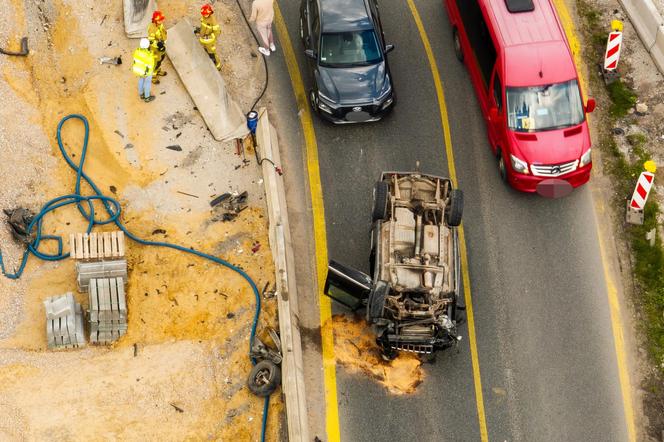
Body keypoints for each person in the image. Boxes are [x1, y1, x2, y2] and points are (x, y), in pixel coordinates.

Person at [198, 3, 221, 70]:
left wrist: (209, 36)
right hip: (204, 39)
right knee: (206, 49)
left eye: (206, 14)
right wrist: (199, 31)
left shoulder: (213, 21)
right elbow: (203, 26)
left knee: (212, 53)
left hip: (210, 41)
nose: (204, 15)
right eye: (203, 14)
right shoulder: (203, 17)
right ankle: (208, 55)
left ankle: (217, 66)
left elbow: (217, 32)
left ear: (210, 13)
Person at [132, 38, 156, 102]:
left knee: (141, 80)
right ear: (148, 45)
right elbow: (151, 66)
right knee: (147, 83)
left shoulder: (137, 51)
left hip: (139, 71)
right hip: (147, 72)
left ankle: (141, 94)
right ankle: (147, 97)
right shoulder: (149, 55)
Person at [148, 10, 168, 83]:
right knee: (156, 62)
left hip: (161, 46)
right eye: (161, 20)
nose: (162, 21)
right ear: (156, 20)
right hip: (155, 49)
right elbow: (151, 41)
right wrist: (158, 45)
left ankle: (158, 70)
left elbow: (163, 32)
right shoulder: (152, 28)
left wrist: (163, 42)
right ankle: (153, 77)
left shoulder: (160, 24)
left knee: (162, 58)